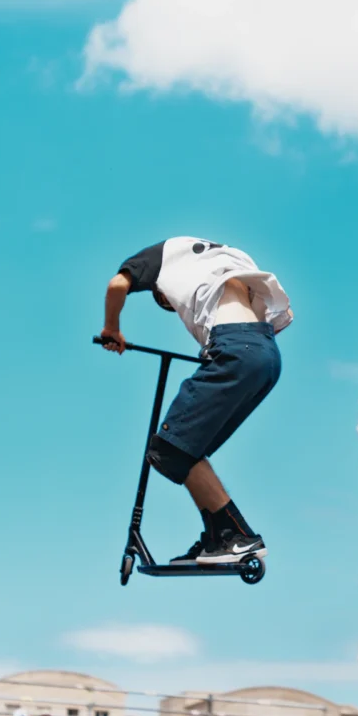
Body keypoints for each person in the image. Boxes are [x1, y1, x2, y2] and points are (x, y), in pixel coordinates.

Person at [99, 237, 293, 564]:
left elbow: (117, 285)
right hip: (267, 354)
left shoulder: (162, 254)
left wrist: (111, 329)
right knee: (187, 449)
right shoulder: (231, 257)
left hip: (235, 349)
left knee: (169, 448)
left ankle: (238, 537)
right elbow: (274, 313)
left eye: (166, 302)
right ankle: (217, 538)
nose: (172, 305)